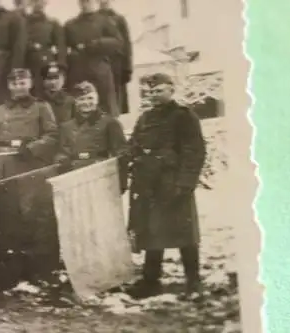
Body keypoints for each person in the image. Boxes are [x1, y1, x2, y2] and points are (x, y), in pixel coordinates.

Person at [125, 73, 206, 300]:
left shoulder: (184, 116)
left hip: (173, 183)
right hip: (148, 184)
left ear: (171, 89)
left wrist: (185, 183)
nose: (153, 95)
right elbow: (134, 145)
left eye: (158, 90)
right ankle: (151, 281)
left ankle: (194, 281)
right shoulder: (145, 118)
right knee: (152, 233)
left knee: (184, 233)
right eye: (149, 92)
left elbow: (195, 152)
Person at [0, 68, 58, 177]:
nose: (18, 87)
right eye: (14, 84)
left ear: (30, 84)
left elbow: (52, 135)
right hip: (4, 161)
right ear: (9, 86)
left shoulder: (41, 107)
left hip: (31, 160)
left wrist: (31, 148)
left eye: (22, 83)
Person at [54, 81, 128, 177]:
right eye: (82, 99)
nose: (86, 102)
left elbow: (121, 154)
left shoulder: (110, 123)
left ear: (97, 100)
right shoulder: (66, 127)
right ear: (76, 102)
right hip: (75, 175)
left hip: (102, 174)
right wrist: (62, 161)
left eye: (90, 98)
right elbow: (62, 153)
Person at [64, 0, 121, 117]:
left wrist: (96, 44)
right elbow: (62, 48)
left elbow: (118, 42)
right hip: (78, 72)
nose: (86, 5)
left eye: (88, 1)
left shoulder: (105, 21)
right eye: (83, 2)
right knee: (80, 107)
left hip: (100, 71)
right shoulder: (70, 25)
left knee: (105, 108)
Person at [25, 0, 66, 98]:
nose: (38, 4)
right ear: (30, 3)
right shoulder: (23, 22)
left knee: (46, 92)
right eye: (34, 2)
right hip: (27, 63)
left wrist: (60, 66)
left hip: (45, 64)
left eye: (41, 1)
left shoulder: (52, 23)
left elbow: (61, 46)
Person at [97, 0, 132, 114]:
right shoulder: (94, 19)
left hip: (117, 63)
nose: (103, 2)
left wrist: (128, 68)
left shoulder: (118, 19)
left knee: (117, 97)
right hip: (99, 63)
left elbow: (126, 44)